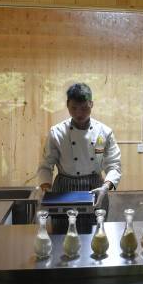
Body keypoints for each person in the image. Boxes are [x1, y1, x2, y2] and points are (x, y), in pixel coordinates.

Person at [37, 83, 121, 214]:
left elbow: (114, 165)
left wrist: (105, 187)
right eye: (74, 108)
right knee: (63, 231)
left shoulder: (103, 132)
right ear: (67, 105)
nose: (79, 113)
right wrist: (46, 188)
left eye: (84, 108)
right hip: (64, 190)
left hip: (96, 189)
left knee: (97, 232)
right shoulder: (57, 132)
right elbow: (45, 165)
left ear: (91, 104)